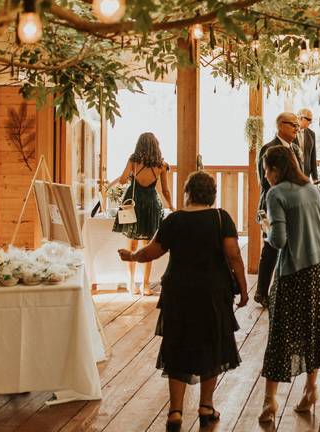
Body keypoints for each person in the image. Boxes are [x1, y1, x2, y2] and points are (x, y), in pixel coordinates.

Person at [118, 170, 246, 432]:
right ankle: (206, 407)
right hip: (212, 291)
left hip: (178, 291)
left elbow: (152, 251)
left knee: (177, 345)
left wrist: (131, 257)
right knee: (212, 344)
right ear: (212, 194)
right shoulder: (221, 218)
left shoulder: (173, 220)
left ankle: (175, 412)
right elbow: (233, 256)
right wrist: (244, 289)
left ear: (187, 193)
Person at [258, 146, 320, 424]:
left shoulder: (276, 194)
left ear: (276, 169)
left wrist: (266, 228)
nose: (266, 175)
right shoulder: (312, 189)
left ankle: (270, 401)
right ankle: (310, 389)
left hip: (294, 270)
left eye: (267, 169)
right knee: (313, 327)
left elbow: (278, 240)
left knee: (281, 332)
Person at [110, 132, 173, 296]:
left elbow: (123, 180)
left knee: (132, 244)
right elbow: (165, 190)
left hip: (134, 204)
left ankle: (131, 284)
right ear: (156, 146)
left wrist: (129, 176)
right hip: (151, 205)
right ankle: (145, 285)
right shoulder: (161, 165)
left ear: (139, 145)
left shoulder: (134, 161)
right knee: (148, 246)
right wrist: (172, 206)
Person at [254, 113, 305, 307]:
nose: (296, 128)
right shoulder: (269, 148)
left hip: (291, 205)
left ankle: (279, 292)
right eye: (293, 125)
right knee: (270, 249)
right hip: (272, 205)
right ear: (280, 125)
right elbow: (265, 181)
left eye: (297, 125)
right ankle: (261, 292)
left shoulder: (294, 148)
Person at [296, 108, 320, 185]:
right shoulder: (289, 131)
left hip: (306, 174)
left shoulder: (312, 134)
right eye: (308, 119)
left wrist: (315, 178)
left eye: (311, 120)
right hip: (292, 173)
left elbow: (313, 156)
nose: (310, 122)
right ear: (299, 118)